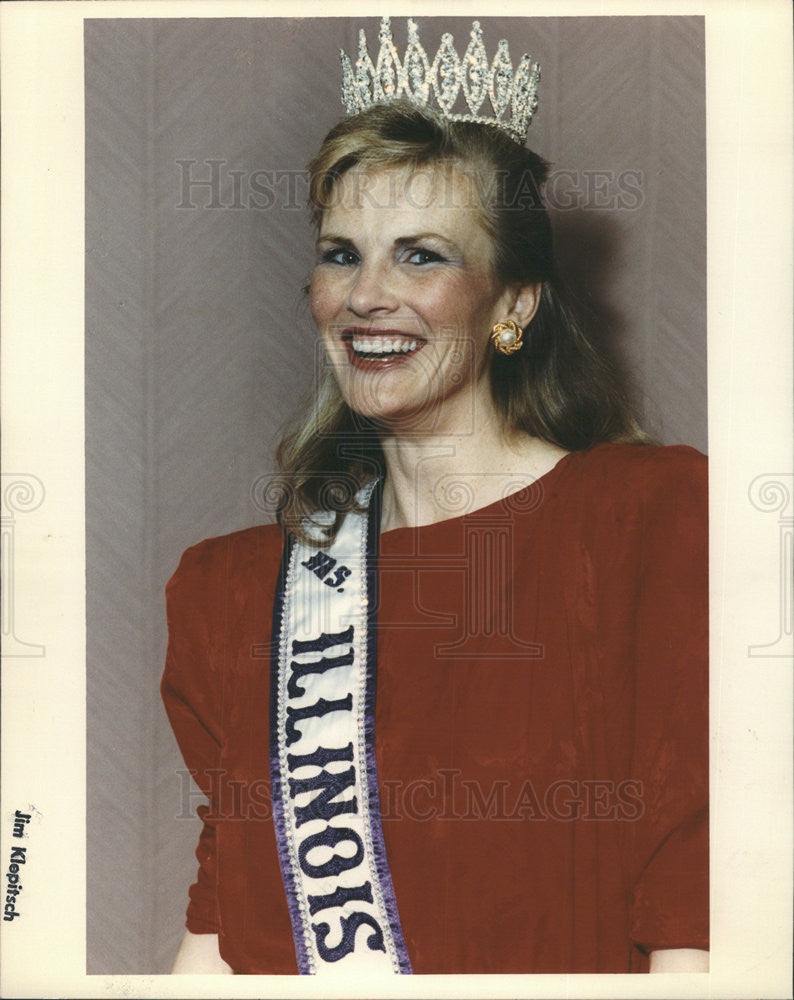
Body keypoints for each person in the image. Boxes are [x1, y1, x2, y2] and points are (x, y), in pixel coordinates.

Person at [161, 17, 708, 976]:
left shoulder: (650, 521)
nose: (368, 294)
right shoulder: (232, 591)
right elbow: (222, 933)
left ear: (512, 305)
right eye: (342, 254)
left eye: (423, 255)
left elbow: (695, 908)